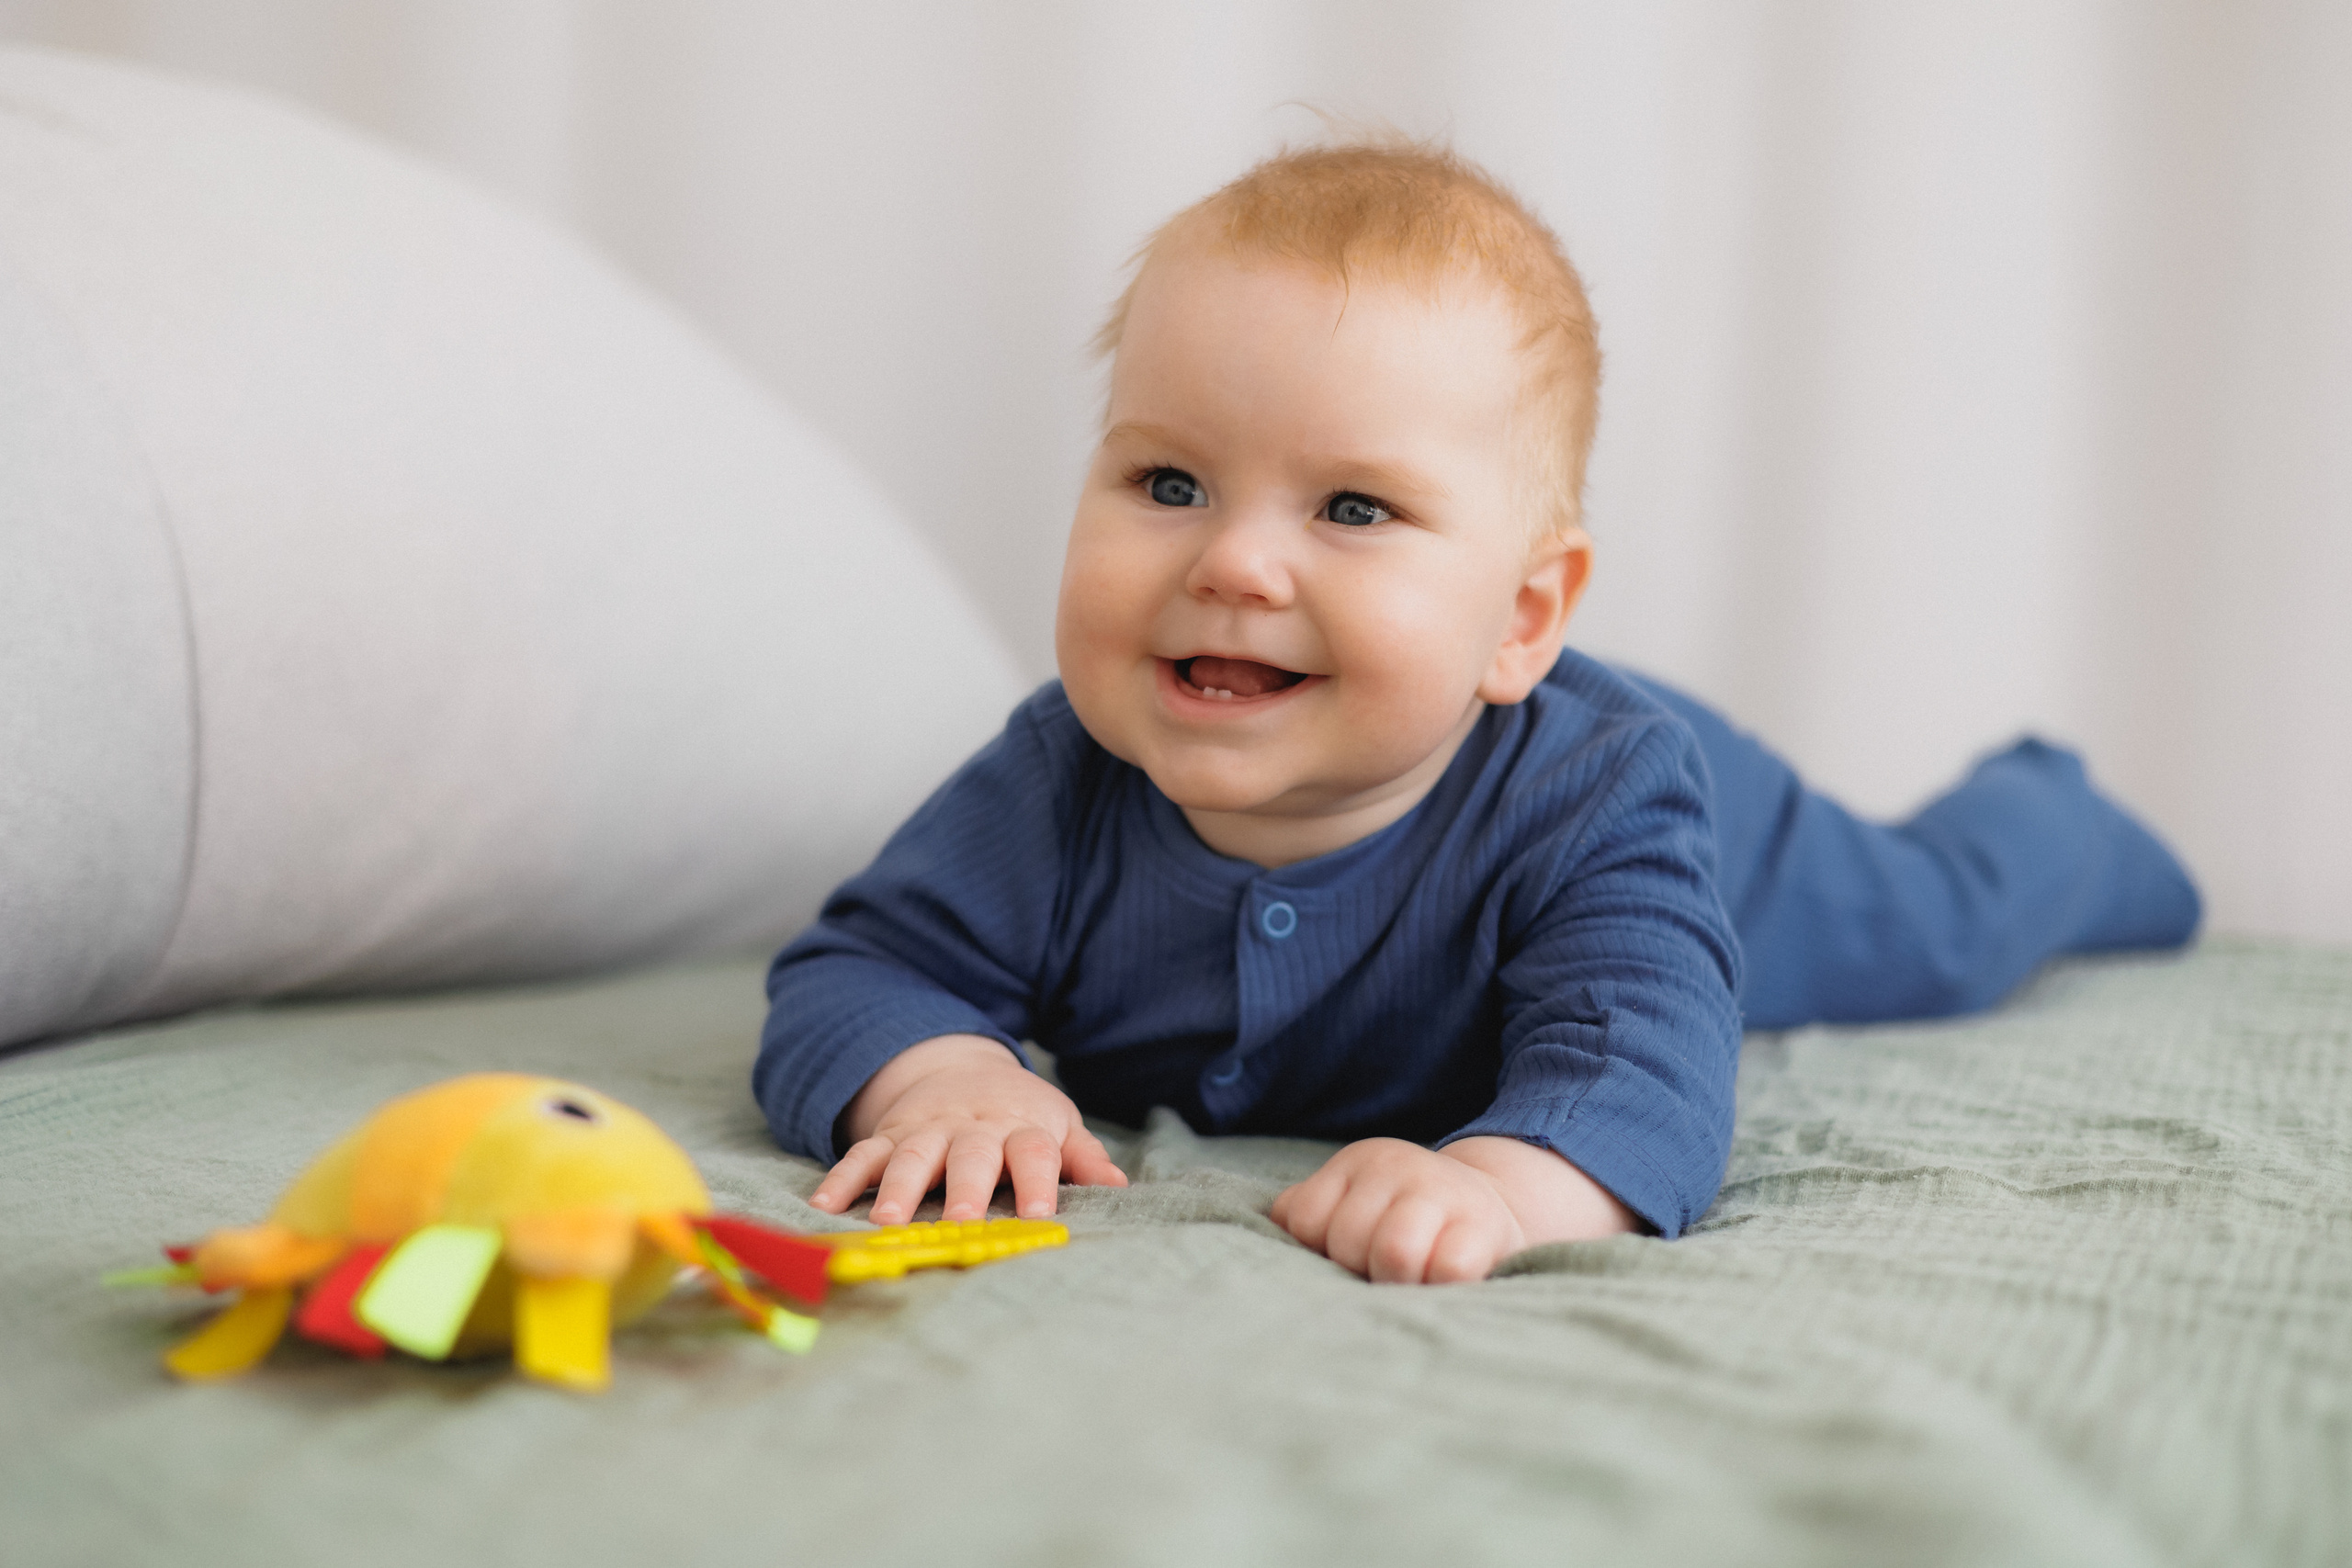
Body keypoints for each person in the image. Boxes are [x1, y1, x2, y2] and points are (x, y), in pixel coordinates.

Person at [752, 141, 2199, 1284]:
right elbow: (861, 967)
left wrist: (1501, 1182)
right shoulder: (1057, 777)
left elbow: (1642, 1062)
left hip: (1732, 836)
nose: (1235, 562)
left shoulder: (1608, 798)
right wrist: (937, 1076)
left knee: (1936, 931)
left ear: (1520, 619)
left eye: (1355, 506)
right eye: (1170, 483)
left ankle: (2053, 810)